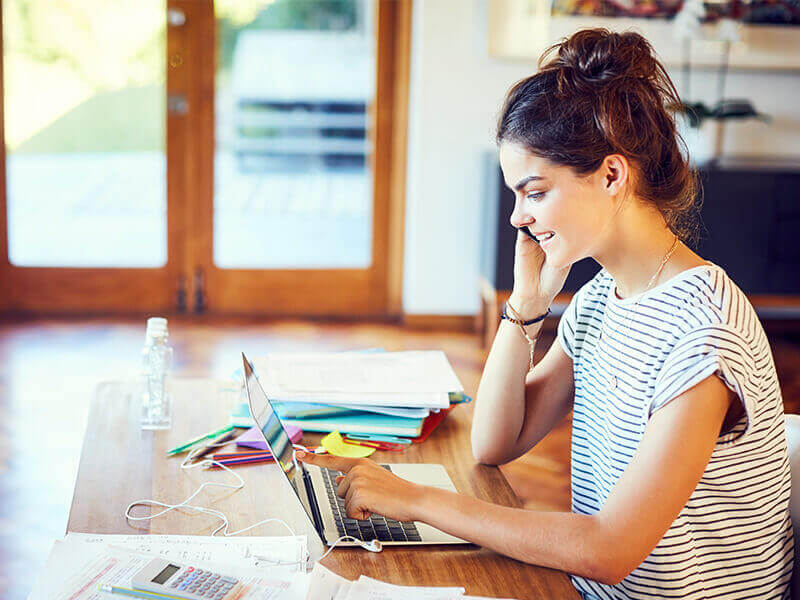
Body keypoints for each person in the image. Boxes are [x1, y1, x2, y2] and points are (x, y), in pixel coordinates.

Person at [297, 28, 793, 599]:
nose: (517, 218)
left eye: (533, 192)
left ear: (612, 175)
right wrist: (526, 309)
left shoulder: (702, 333)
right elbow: (494, 442)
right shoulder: (602, 299)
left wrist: (415, 500)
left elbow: (608, 549)